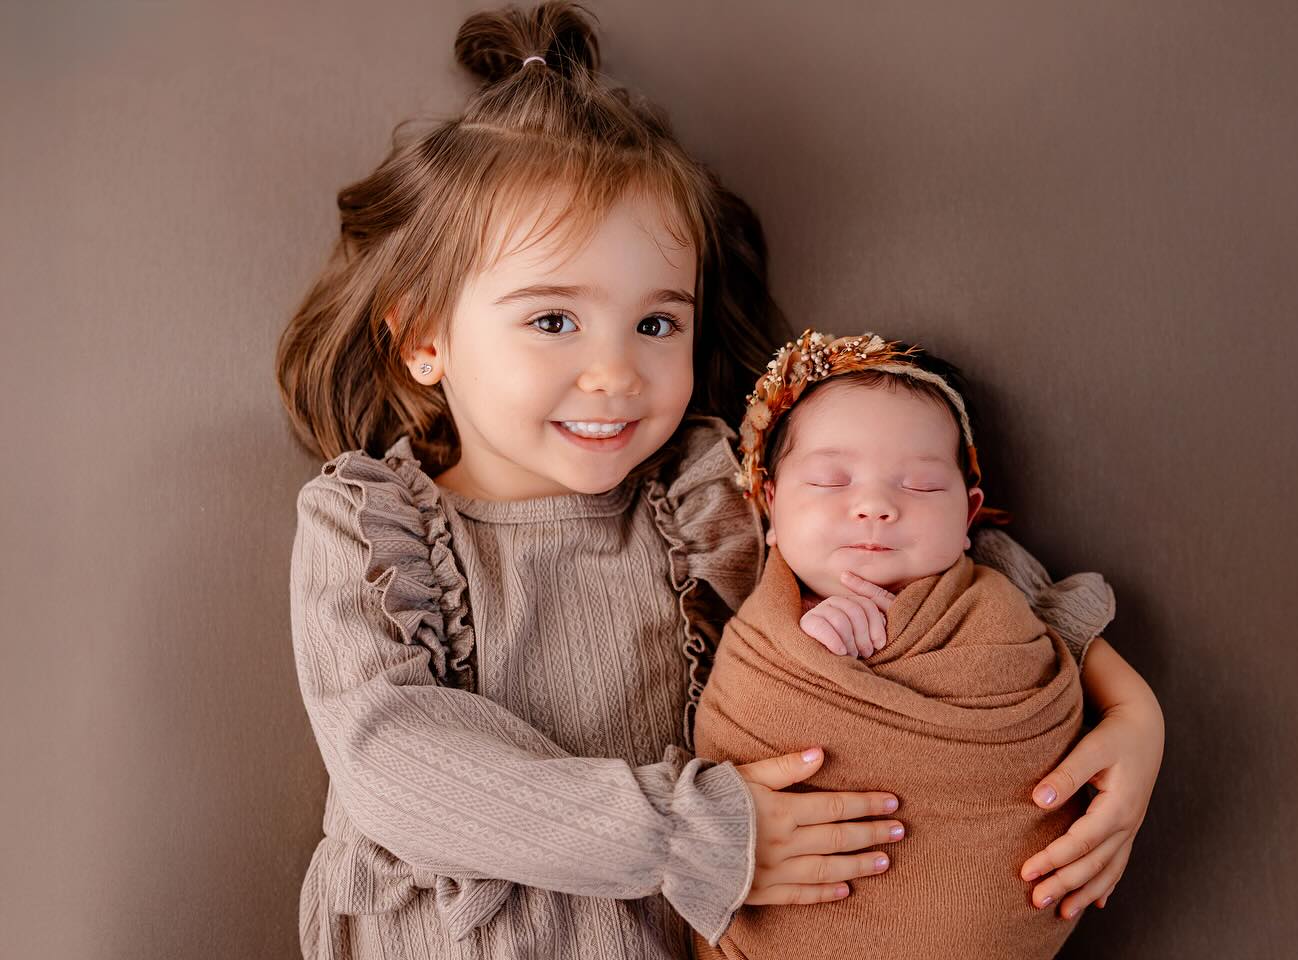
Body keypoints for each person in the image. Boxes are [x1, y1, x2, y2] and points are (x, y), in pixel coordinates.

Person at [275, 5, 1164, 958]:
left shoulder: (710, 491)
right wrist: (693, 831)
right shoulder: (371, 528)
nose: (615, 372)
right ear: (423, 338)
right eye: (553, 321)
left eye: (657, 325)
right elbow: (392, 761)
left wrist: (1128, 707)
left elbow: (928, 539)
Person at [694, 333, 1161, 959]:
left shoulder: (1001, 603)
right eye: (832, 481)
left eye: (919, 486)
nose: (875, 506)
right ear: (771, 507)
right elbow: (737, 743)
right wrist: (810, 657)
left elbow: (1054, 645)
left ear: (969, 516)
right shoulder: (760, 634)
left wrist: (1140, 713)